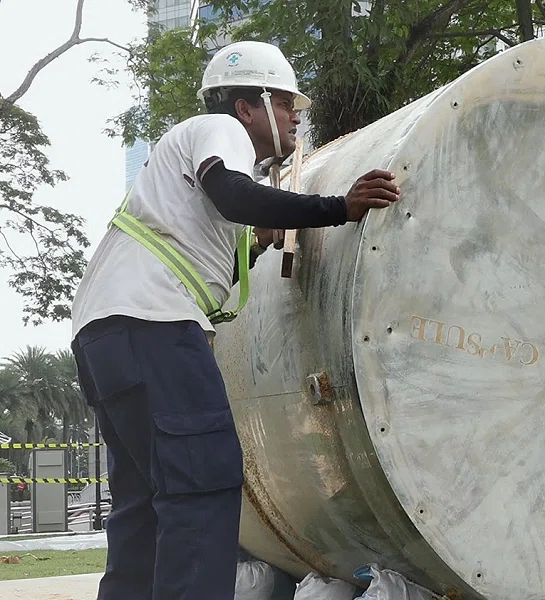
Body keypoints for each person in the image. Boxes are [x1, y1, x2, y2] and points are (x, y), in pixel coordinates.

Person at [69, 40, 400, 600]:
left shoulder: (180, 173)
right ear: (250, 104)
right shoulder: (220, 130)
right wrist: (338, 207)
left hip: (107, 331)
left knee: (147, 504)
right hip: (155, 325)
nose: (297, 114)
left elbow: (222, 226)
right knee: (203, 482)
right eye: (287, 102)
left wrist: (257, 244)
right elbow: (236, 197)